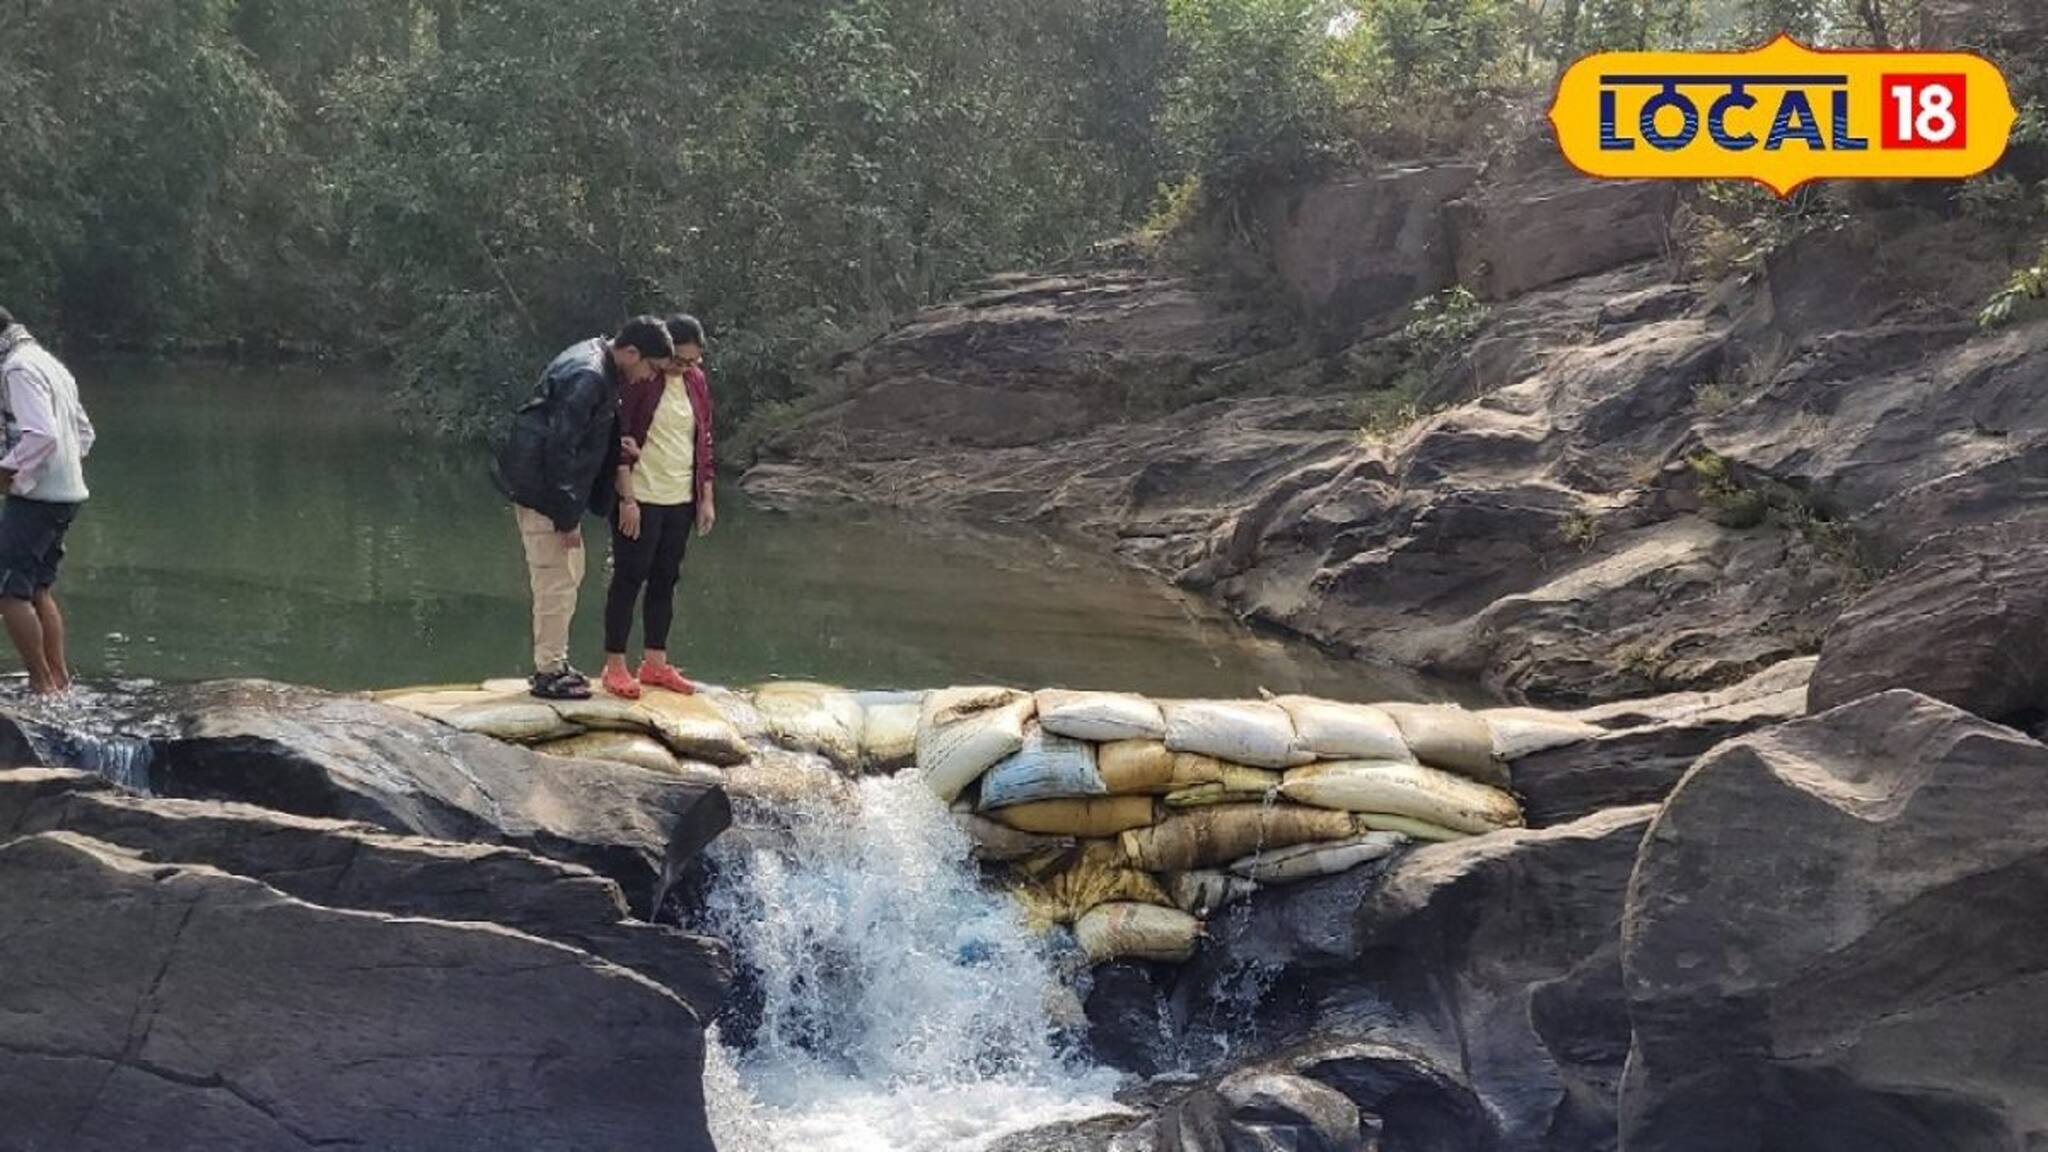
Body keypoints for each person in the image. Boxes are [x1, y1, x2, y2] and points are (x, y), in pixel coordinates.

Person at [493, 316, 674, 701]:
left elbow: (578, 434)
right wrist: (566, 515)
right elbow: (560, 448)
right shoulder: (589, 376)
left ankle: (555, 660)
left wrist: (615, 446)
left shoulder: (597, 361)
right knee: (555, 581)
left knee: (568, 575)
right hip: (544, 494)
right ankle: (547, 673)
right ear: (631, 352)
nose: (650, 378)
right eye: (651, 368)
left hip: (546, 489)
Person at [599, 313, 717, 700]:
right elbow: (619, 436)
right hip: (640, 495)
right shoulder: (642, 383)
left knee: (666, 579)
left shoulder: (695, 383)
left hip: (679, 497)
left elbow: (704, 440)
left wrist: (706, 496)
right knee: (629, 578)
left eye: (692, 362)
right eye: (678, 361)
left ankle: (655, 662)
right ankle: (615, 665)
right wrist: (627, 498)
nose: (684, 368)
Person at [0, 306, 97, 696]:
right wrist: (60, 470)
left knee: (7, 590)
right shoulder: (46, 361)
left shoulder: (17, 368)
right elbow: (84, 433)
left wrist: (8, 472)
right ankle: (59, 681)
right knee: (37, 587)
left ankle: (41, 686)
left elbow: (42, 436)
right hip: (64, 496)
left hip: (38, 498)